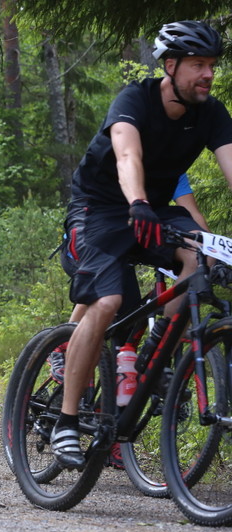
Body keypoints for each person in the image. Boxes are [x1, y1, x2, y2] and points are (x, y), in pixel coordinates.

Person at [51, 20, 232, 470]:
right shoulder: (134, 100)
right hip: (101, 208)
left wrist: (151, 206)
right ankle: (67, 421)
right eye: (197, 65)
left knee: (200, 255)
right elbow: (127, 154)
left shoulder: (212, 113)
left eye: (211, 65)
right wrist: (137, 202)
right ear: (169, 67)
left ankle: (155, 355)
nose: (207, 74)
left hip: (153, 208)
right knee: (108, 300)